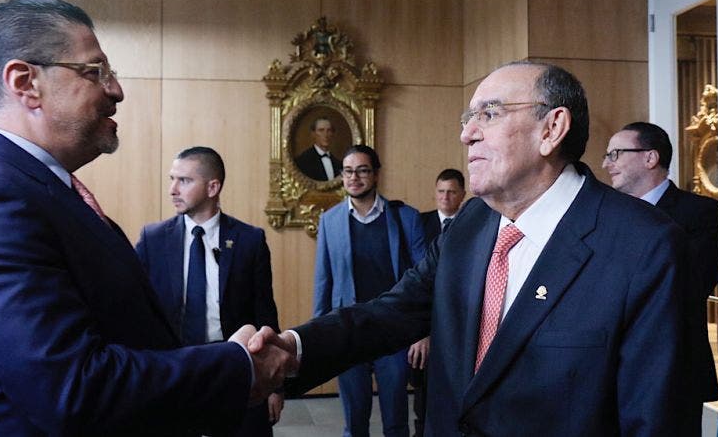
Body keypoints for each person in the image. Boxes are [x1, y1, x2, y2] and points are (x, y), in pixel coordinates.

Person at [0, 0, 290, 436]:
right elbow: (72, 388)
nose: (116, 90)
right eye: (96, 72)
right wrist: (235, 366)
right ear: (25, 82)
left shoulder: (44, 193)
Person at [253, 61, 686, 435]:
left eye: (489, 114)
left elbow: (653, 419)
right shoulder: (471, 223)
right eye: (468, 117)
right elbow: (392, 312)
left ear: (552, 128)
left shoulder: (643, 246)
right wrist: (295, 349)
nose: (467, 134)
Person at [135, 146, 284, 436]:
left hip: (235, 368)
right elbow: (137, 308)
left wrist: (275, 387)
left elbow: (265, 312)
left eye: (184, 181)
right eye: (171, 179)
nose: (172, 190)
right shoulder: (153, 240)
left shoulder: (250, 240)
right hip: (174, 372)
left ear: (213, 186)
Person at [602, 121, 718, 434]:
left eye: (615, 154)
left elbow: (692, 285)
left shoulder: (699, 212)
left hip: (674, 369)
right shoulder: (604, 215)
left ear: (650, 158)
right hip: (607, 368)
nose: (606, 164)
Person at [313, 144, 426, 437]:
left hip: (392, 331)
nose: (354, 177)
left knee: (396, 421)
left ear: (375, 175)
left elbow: (427, 279)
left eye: (362, 170)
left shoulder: (406, 217)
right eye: (348, 171)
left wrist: (424, 333)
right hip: (348, 331)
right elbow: (323, 280)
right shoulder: (330, 221)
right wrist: (318, 334)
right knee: (355, 422)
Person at [411, 168, 465, 436]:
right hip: (424, 320)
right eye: (441, 191)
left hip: (460, 322)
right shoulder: (418, 224)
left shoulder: (472, 225)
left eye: (451, 192)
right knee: (423, 398)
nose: (445, 197)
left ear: (462, 195)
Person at [295, 116, 343, 180]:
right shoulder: (303, 161)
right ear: (313, 134)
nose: (325, 135)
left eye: (329, 130)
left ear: (332, 134)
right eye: (321, 130)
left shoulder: (338, 164)